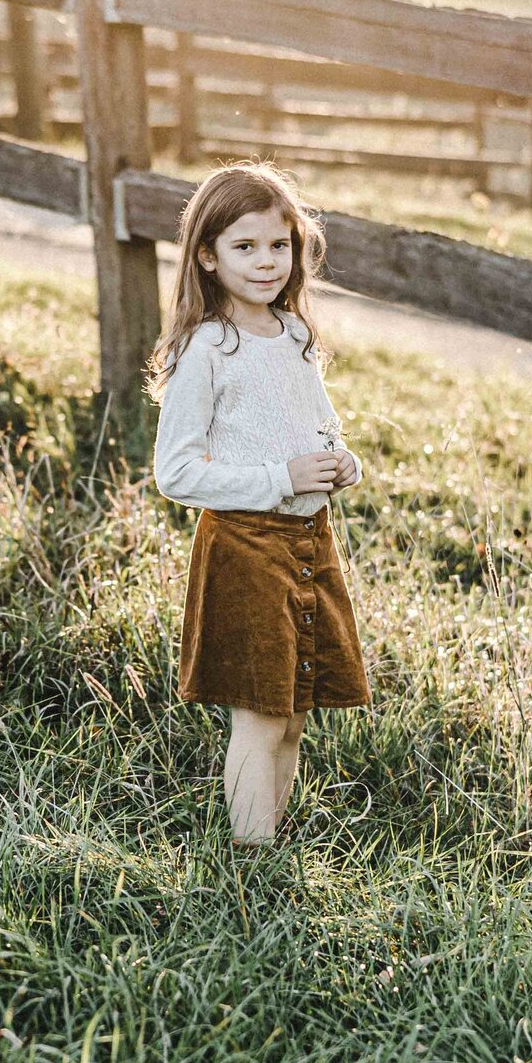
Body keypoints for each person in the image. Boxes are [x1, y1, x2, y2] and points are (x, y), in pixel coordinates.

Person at [147, 162, 369, 847]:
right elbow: (175, 472)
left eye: (280, 245)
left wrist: (343, 463)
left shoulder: (296, 336)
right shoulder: (206, 348)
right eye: (245, 247)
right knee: (261, 715)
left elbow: (320, 429)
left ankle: (269, 830)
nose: (267, 262)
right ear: (207, 256)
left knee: (296, 712)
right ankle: (250, 856)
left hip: (310, 544)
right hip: (244, 547)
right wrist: (280, 477)